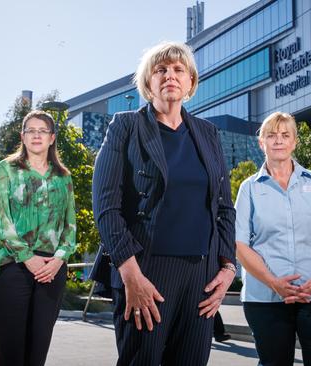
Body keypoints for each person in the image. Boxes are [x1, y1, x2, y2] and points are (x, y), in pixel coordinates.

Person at [92, 41, 236, 366]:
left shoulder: (208, 133)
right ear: (148, 83)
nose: (169, 75)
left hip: (202, 276)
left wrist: (228, 268)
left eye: (178, 69)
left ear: (190, 82)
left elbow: (224, 208)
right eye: (160, 70)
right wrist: (131, 274)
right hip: (145, 271)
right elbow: (106, 207)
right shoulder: (125, 126)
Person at [234, 112, 311, 366]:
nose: (278, 141)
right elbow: (240, 245)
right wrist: (274, 282)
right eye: (271, 135)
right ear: (261, 143)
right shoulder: (249, 188)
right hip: (265, 299)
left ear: (294, 142)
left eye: (285, 135)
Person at [0, 110, 76, 366]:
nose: (37, 135)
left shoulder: (64, 177)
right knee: (10, 354)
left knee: (36, 355)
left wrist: (60, 259)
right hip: (13, 267)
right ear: (23, 137)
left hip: (52, 271)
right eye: (31, 130)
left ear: (52, 138)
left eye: (43, 131)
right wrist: (28, 258)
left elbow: (70, 227)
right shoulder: (6, 170)